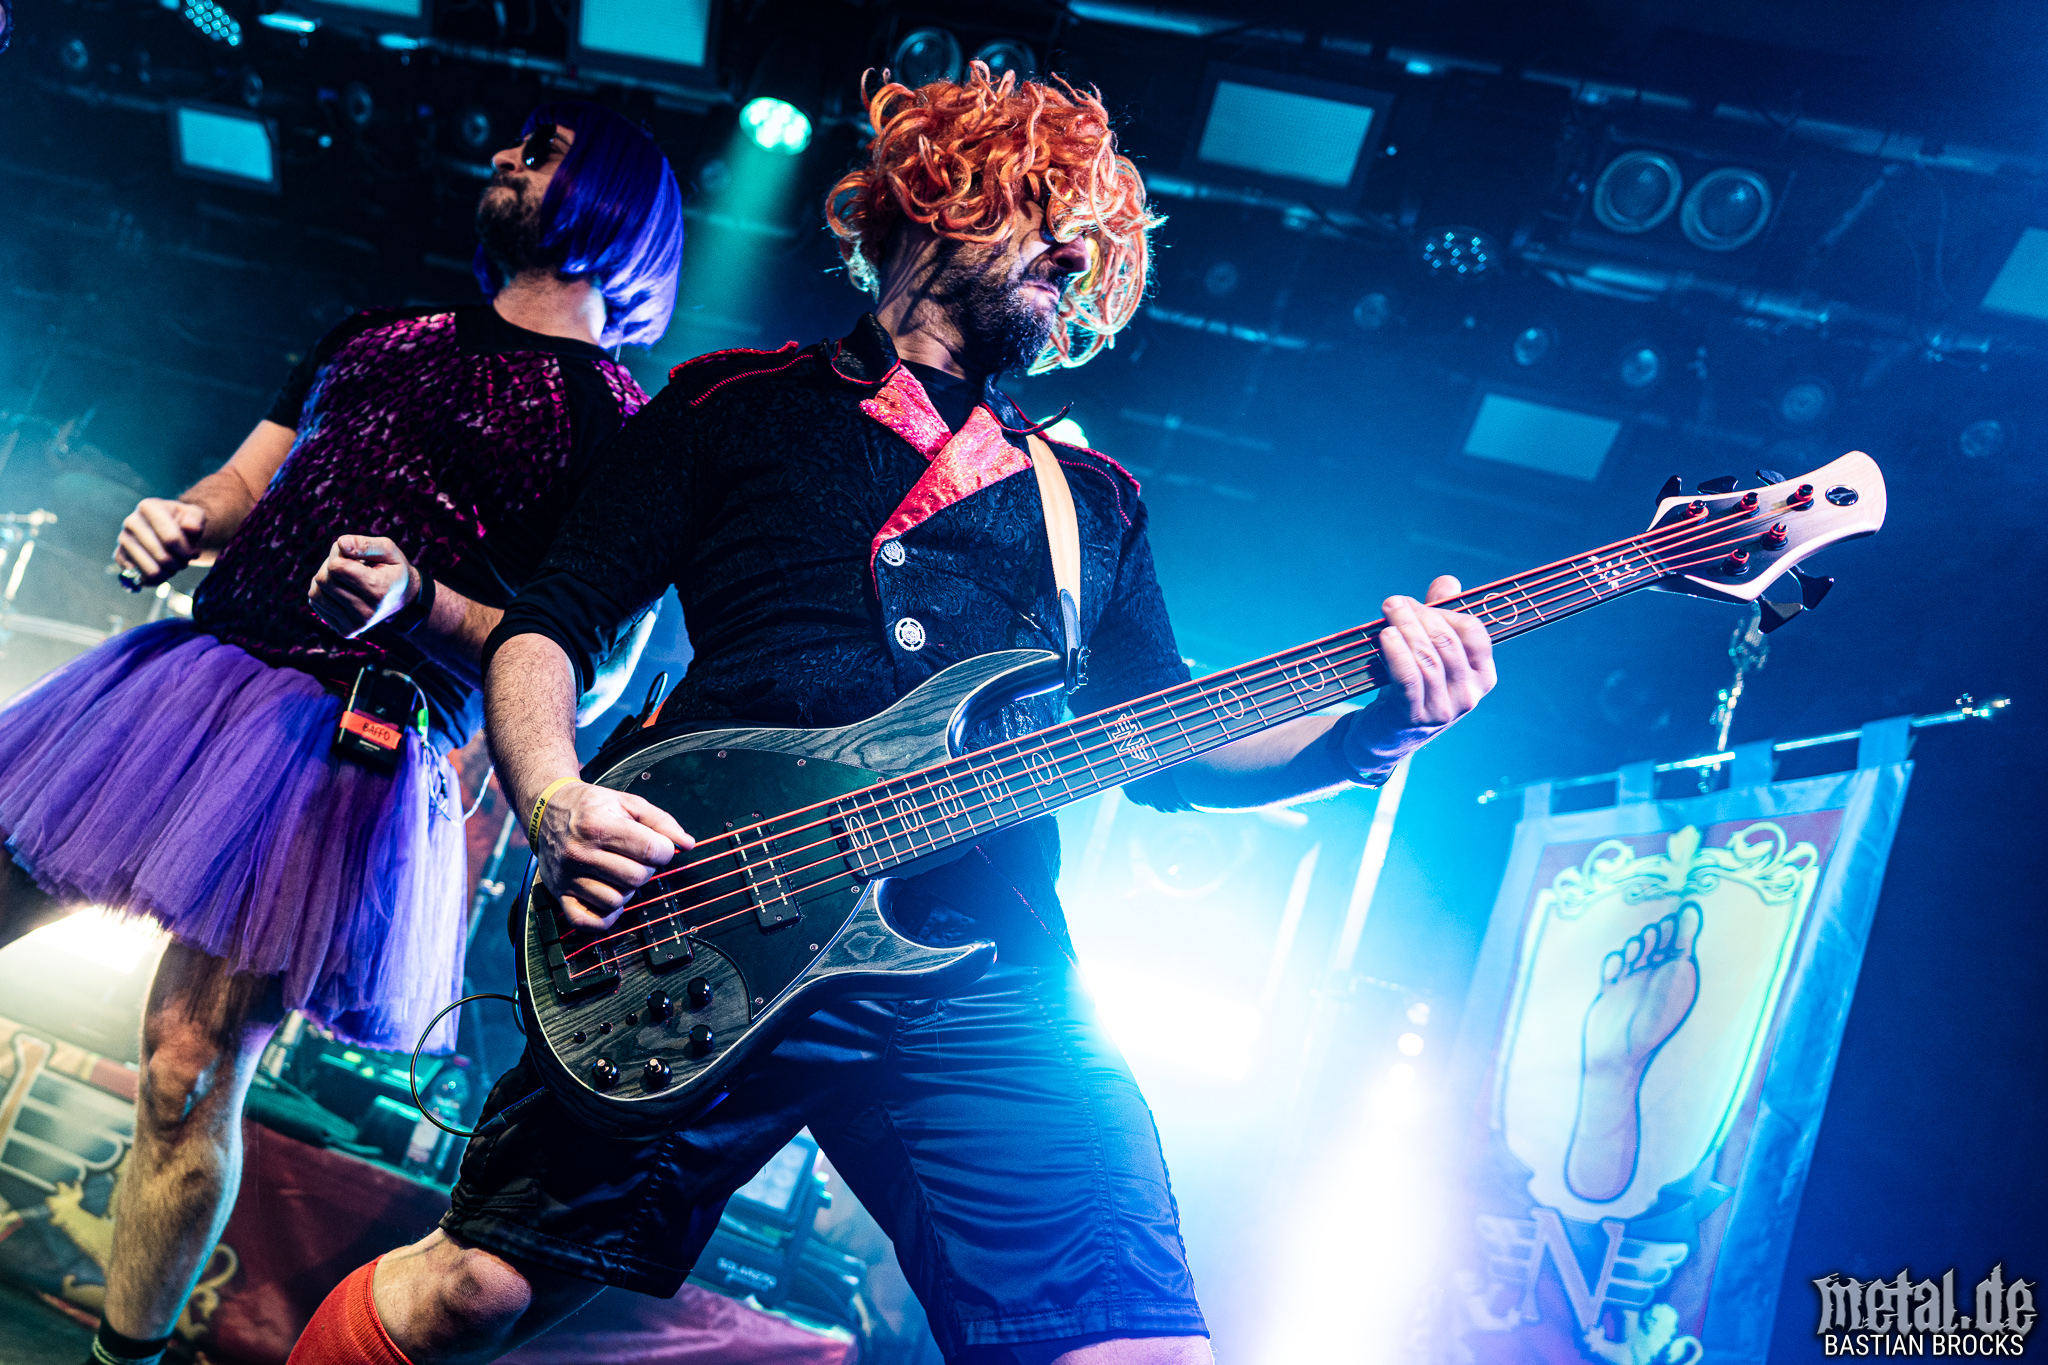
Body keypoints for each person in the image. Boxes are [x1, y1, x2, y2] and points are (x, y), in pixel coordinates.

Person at [287, 66, 1496, 1365]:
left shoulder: (1092, 500)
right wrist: (552, 797)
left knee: (1140, 1352)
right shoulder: (732, 405)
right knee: (471, 1292)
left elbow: (1166, 747)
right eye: (1045, 215)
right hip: (708, 917)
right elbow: (549, 625)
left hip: (987, 958)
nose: (1073, 257)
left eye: (1090, 243)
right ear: (937, 197)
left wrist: (1373, 734)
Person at [0, 102, 682, 1365]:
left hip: (340, 749)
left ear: (619, 201)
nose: (503, 156)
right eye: (512, 146)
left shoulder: (625, 429)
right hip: (185, 683)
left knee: (186, 1071)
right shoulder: (372, 335)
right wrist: (182, 517)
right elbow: (242, 485)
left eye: (541, 152)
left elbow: (586, 673)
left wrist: (418, 601)